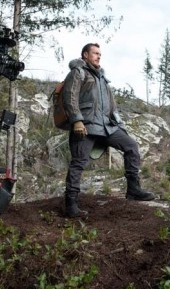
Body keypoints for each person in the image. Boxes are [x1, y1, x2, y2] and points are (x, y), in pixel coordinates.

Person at [62, 43, 156, 217]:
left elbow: (112, 106)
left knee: (131, 147)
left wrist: (120, 125)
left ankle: (133, 190)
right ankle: (71, 204)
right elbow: (70, 96)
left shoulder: (102, 77)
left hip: (107, 127)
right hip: (86, 126)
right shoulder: (78, 72)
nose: (98, 56)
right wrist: (77, 121)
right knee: (78, 162)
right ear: (85, 55)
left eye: (100, 54)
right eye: (95, 53)